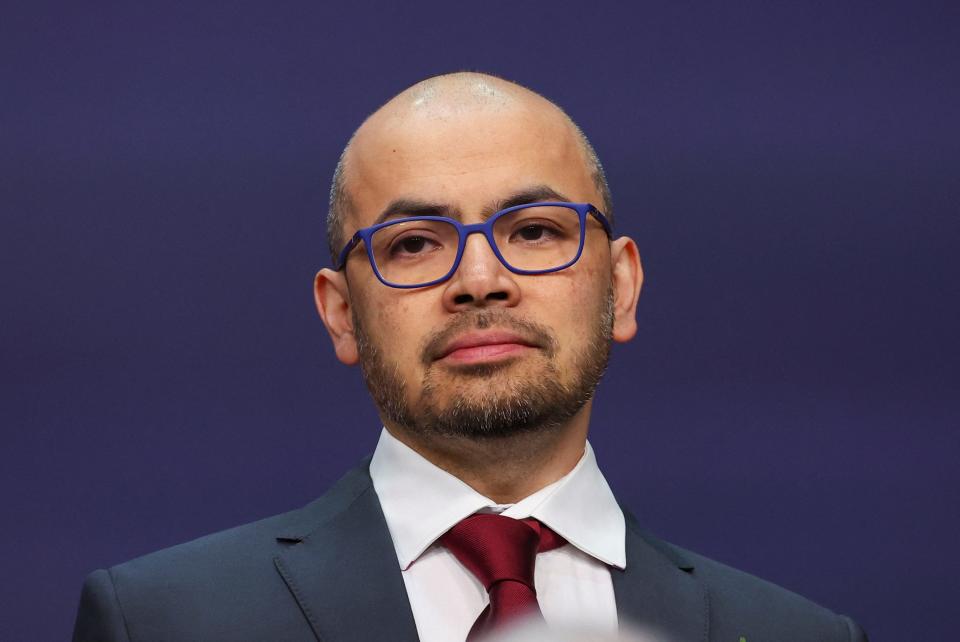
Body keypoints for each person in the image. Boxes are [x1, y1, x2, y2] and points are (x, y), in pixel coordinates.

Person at [72, 72, 868, 642]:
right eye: (415, 244)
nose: (479, 280)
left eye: (534, 231)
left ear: (620, 287)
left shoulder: (794, 632)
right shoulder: (164, 619)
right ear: (341, 313)